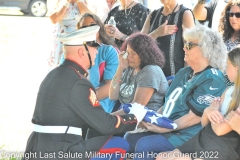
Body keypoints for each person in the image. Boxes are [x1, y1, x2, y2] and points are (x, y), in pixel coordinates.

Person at [22, 25, 147, 160]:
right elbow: (106, 125)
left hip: (37, 146)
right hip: (61, 150)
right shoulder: (78, 82)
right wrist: (135, 118)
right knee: (120, 144)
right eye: (94, 48)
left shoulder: (53, 75)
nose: (97, 52)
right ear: (82, 52)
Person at [124, 25, 228, 160]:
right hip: (169, 128)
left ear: (205, 49)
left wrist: (165, 129)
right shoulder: (184, 72)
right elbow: (168, 104)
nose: (184, 48)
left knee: (146, 145)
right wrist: (151, 120)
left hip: (187, 135)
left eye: (189, 45)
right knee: (130, 138)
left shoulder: (213, 77)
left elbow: (195, 117)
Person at [157, 47, 240, 160]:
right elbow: (204, 123)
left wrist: (213, 112)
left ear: (236, 68)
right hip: (204, 138)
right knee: (162, 157)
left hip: (222, 146)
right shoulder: (228, 90)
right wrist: (208, 111)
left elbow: (219, 130)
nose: (225, 69)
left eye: (228, 66)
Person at [109, 32, 168, 113]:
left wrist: (110, 118)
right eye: (128, 52)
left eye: (133, 53)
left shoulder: (150, 71)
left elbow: (136, 107)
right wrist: (120, 68)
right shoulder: (130, 69)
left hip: (144, 120)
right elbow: (113, 96)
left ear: (144, 54)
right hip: (127, 116)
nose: (129, 57)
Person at [75, 13, 119, 113]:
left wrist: (85, 101)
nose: (88, 29)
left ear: (100, 28)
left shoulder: (109, 51)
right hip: (75, 101)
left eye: (92, 25)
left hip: (100, 104)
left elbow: (110, 87)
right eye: (84, 27)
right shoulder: (74, 50)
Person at [141, 0, 195, 77]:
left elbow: (191, 49)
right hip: (151, 77)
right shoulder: (153, 15)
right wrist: (156, 33)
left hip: (175, 78)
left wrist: (184, 77)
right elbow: (138, 45)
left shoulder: (185, 14)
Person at [47, 0, 91, 69]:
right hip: (61, 40)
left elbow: (89, 18)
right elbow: (54, 19)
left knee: (75, 67)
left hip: (77, 40)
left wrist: (79, 2)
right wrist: (66, 3)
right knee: (58, 67)